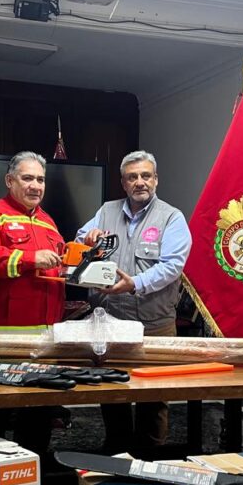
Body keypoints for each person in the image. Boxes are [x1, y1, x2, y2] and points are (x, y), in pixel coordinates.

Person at [76, 150, 191, 454]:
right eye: (132, 177)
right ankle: (116, 450)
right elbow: (79, 238)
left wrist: (134, 284)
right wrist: (89, 237)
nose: (140, 182)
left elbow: (171, 267)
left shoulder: (172, 217)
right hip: (109, 321)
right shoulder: (106, 210)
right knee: (112, 389)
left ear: (156, 179)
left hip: (153, 325)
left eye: (146, 176)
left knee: (153, 396)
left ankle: (150, 455)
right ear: (123, 183)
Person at [0, 151, 65, 452]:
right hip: (2, 339)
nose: (36, 185)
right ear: (10, 181)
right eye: (28, 178)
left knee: (38, 417)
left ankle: (34, 476)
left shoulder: (49, 223)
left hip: (47, 342)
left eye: (41, 179)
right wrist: (29, 258)